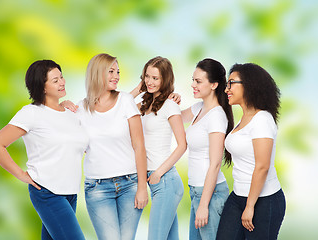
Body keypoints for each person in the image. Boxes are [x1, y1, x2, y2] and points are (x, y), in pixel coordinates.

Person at [0, 60, 88, 240]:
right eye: (55, 80)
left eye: (62, 77)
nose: (62, 82)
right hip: (47, 191)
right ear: (42, 87)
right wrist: (21, 174)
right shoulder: (31, 113)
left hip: (71, 193)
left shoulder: (70, 113)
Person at [75, 53, 148, 240]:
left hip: (129, 184)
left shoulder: (126, 101)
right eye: (111, 71)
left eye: (118, 72)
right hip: (97, 188)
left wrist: (142, 187)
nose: (116, 76)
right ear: (97, 73)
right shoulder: (80, 109)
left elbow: (139, 146)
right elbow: (75, 145)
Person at [216, 63, 286, 240]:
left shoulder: (262, 119)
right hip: (238, 196)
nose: (227, 89)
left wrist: (250, 205)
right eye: (227, 84)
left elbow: (262, 166)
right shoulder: (244, 118)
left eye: (231, 83)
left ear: (249, 84)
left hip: (263, 200)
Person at [131, 56, 186, 239]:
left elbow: (182, 145)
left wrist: (158, 173)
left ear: (165, 80)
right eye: (147, 76)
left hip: (165, 180)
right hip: (156, 181)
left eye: (155, 78)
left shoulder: (170, 105)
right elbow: (119, 108)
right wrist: (139, 87)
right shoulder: (143, 105)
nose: (150, 82)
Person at [181, 58, 234, 240]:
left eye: (198, 81)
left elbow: (215, 164)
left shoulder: (217, 117)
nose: (193, 85)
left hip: (210, 196)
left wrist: (204, 205)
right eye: (193, 80)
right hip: (197, 192)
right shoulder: (198, 108)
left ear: (213, 85)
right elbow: (173, 118)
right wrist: (172, 101)